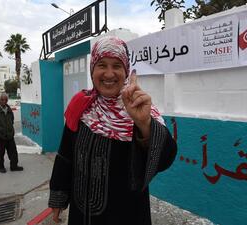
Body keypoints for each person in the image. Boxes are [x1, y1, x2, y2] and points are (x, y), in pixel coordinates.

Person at [48, 36, 177, 225]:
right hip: (81, 215)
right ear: (93, 70)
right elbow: (65, 155)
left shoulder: (138, 109)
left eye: (117, 66)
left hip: (126, 217)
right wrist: (58, 195)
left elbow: (165, 160)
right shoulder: (81, 106)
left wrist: (144, 124)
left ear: (126, 72)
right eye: (102, 65)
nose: (109, 74)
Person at [0, 93, 23, 173]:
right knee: (0, 153)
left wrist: (11, 131)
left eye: (6, 100)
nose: (4, 101)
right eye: (2, 99)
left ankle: (14, 166)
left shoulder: (9, 109)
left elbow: (11, 120)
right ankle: (0, 167)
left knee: (13, 152)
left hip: (9, 135)